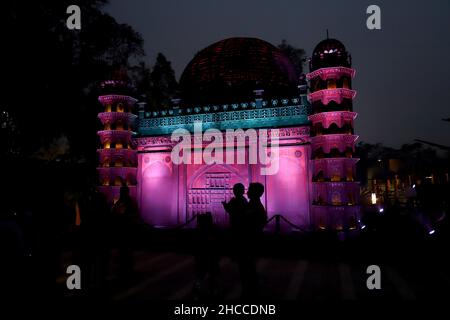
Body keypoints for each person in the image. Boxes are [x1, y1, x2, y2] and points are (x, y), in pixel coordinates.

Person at [238, 182, 267, 298]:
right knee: (248, 266)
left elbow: (248, 222)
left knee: (247, 266)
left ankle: (250, 291)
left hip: (249, 240)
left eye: (249, 189)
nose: (247, 192)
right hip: (250, 240)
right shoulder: (254, 205)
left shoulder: (254, 206)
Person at [111, 184, 139, 282]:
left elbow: (119, 214)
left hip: (125, 230)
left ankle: (126, 270)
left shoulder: (126, 202)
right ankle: (125, 269)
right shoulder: (125, 202)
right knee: (124, 252)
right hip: (124, 230)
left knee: (125, 252)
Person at [193, 212, 220, 300]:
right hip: (211, 258)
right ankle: (213, 289)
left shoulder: (199, 231)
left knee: (201, 274)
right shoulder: (213, 230)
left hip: (202, 258)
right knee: (211, 274)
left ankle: (199, 289)